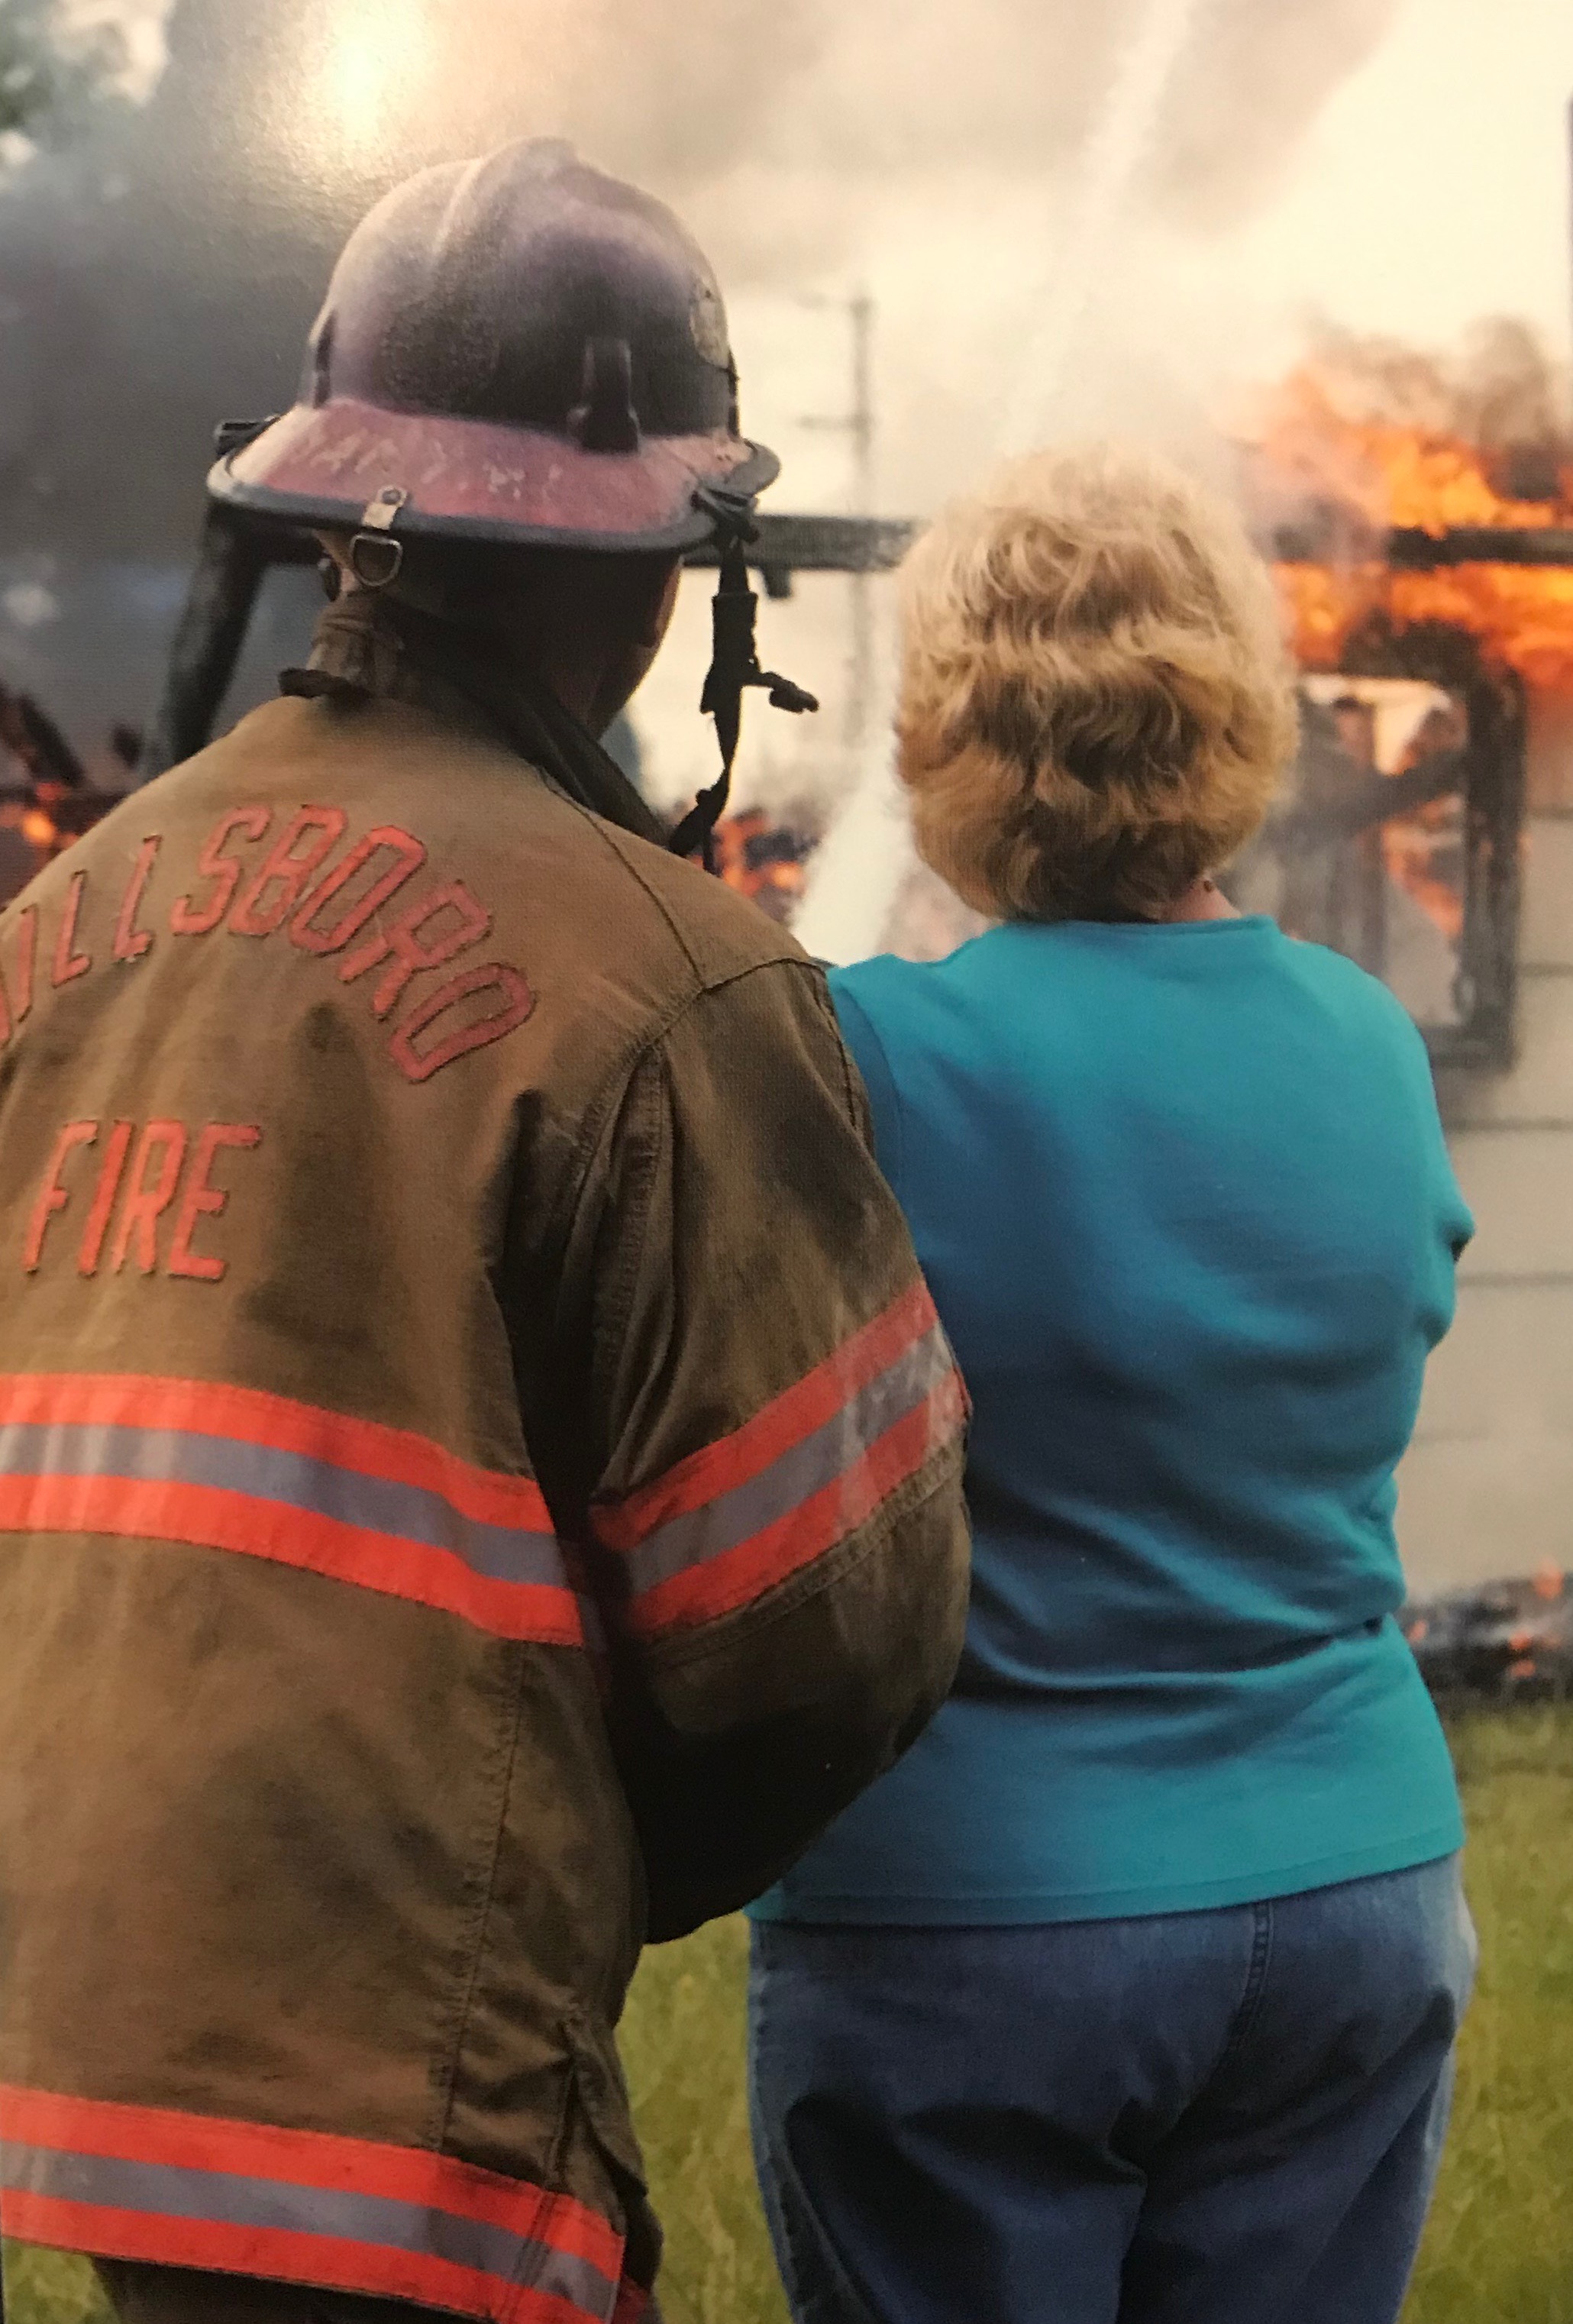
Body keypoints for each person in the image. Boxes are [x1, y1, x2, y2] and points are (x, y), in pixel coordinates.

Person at [0, 141, 972, 2324]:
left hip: (90, 2011)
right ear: (666, 566)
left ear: (346, 510)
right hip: (396, 2037)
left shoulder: (67, 919)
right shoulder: (664, 978)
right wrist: (589, 1843)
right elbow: (830, 1627)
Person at [748, 445, 1478, 2324]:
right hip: (1352, 1893)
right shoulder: (1368, 1047)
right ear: (1232, 718)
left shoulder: (860, 1063)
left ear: (947, 746)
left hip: (972, 1923)